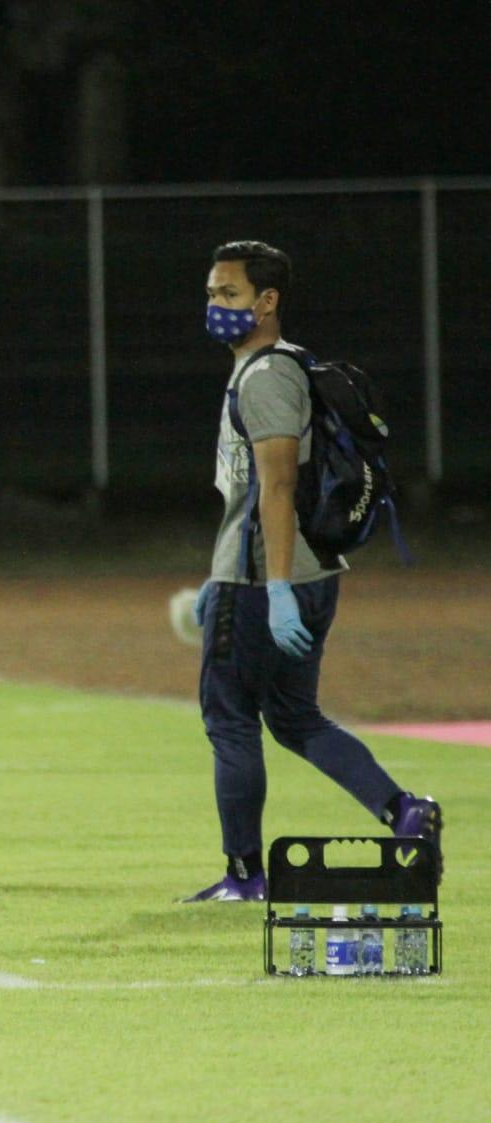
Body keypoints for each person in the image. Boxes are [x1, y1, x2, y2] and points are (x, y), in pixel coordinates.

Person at [184, 240, 442, 902]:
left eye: (230, 295)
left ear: (267, 302)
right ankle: (404, 813)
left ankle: (244, 876)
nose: (216, 306)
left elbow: (274, 488)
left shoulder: (267, 376)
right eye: (212, 293)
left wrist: (271, 590)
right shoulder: (286, 365)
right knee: (296, 719)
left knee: (230, 718)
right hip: (310, 575)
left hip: (261, 581)